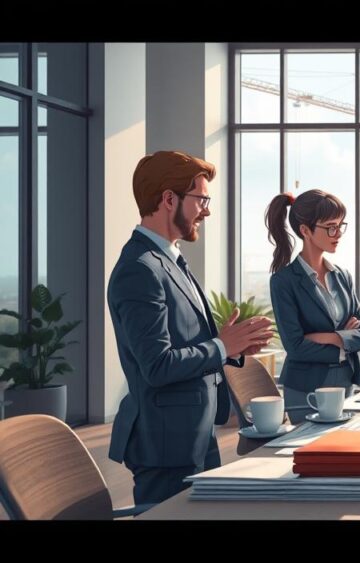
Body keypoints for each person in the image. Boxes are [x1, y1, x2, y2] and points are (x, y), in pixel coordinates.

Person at [108, 151, 274, 505]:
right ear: (169, 199)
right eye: (201, 199)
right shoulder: (139, 269)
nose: (207, 210)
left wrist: (229, 346)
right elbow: (156, 364)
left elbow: (184, 344)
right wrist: (220, 347)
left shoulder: (169, 260)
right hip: (166, 444)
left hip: (194, 433)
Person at [266, 189, 360, 422]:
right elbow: (295, 346)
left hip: (345, 383)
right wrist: (345, 342)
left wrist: (332, 337)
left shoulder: (342, 276)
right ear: (305, 230)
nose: (338, 234)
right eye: (330, 227)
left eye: (340, 225)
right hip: (306, 389)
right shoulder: (284, 282)